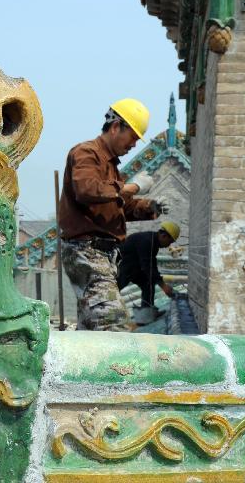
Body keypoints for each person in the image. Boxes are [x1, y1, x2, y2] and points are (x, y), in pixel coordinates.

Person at [58, 99, 164, 331]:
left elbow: (117, 206)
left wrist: (149, 206)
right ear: (116, 127)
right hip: (86, 251)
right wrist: (131, 187)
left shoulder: (112, 167)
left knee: (92, 328)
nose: (134, 145)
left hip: (102, 255)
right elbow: (86, 189)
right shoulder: (86, 153)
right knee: (112, 325)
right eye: (133, 137)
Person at [117, 221, 180, 325]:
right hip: (123, 267)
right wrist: (163, 286)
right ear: (164, 236)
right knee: (114, 289)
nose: (169, 245)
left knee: (148, 283)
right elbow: (147, 266)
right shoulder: (146, 241)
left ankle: (146, 315)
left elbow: (152, 264)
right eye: (170, 241)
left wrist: (160, 281)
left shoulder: (153, 242)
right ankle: (105, 316)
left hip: (135, 268)